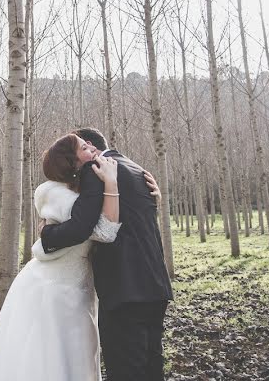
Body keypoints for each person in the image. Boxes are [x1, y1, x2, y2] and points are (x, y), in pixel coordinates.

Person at [0, 133, 160, 381]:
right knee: (48, 360)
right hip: (53, 288)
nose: (91, 148)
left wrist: (153, 197)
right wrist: (48, 235)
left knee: (77, 359)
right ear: (72, 161)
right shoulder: (53, 192)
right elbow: (100, 230)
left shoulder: (88, 188)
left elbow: (117, 217)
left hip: (80, 289)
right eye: (83, 147)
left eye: (88, 144)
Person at [40, 127, 173, 381]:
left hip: (124, 288)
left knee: (125, 369)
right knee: (152, 366)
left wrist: (47, 234)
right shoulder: (137, 169)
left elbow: (83, 227)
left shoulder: (96, 170)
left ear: (89, 145)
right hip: (156, 284)